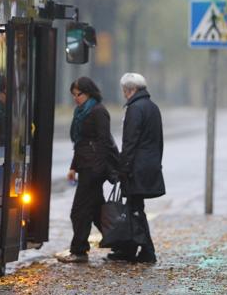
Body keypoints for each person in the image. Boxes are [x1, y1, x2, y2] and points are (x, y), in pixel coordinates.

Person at [58, 77, 117, 263]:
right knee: (97, 211)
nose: (76, 98)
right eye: (73, 94)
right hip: (85, 166)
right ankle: (122, 243)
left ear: (89, 92)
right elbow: (81, 142)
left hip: (94, 170)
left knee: (79, 211)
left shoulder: (98, 111)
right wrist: (73, 167)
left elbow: (104, 142)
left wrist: (97, 171)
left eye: (79, 94)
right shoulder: (81, 112)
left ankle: (79, 250)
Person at [108, 72, 165, 264]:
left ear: (131, 90)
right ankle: (129, 249)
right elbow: (159, 141)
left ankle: (148, 251)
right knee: (134, 207)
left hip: (136, 168)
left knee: (135, 210)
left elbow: (130, 142)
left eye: (124, 90)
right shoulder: (153, 107)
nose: (124, 94)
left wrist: (123, 169)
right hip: (148, 165)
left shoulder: (134, 109)